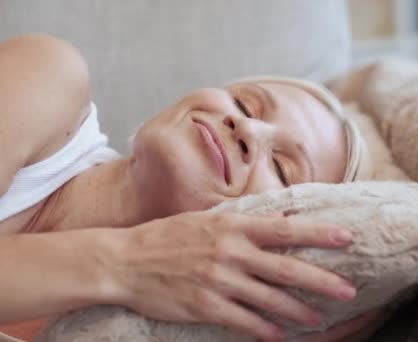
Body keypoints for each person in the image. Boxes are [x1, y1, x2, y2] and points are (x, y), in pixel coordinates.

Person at [0, 34, 379, 341]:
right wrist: (127, 261)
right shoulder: (49, 76)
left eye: (282, 168)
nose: (247, 129)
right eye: (245, 104)